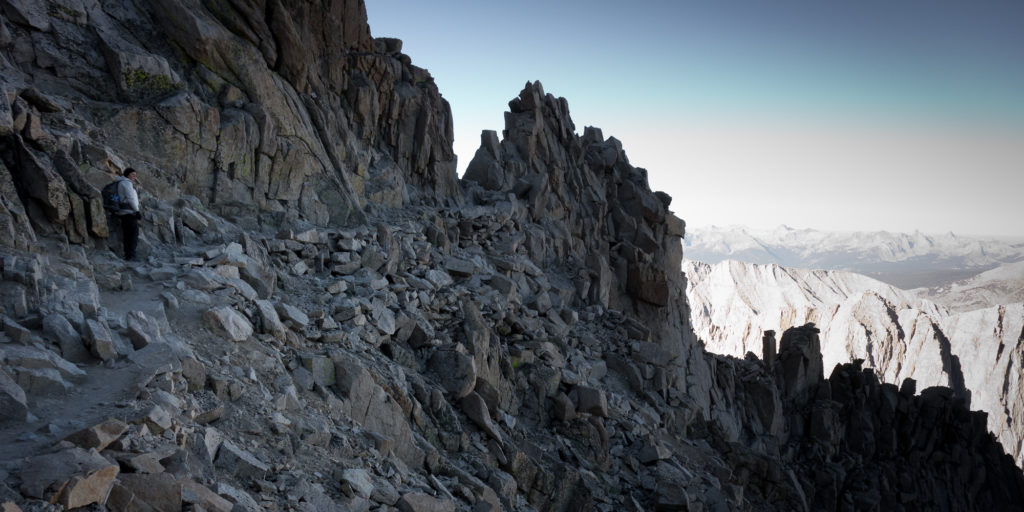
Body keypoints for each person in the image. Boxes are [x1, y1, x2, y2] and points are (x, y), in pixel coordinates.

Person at [115, 167, 141, 261]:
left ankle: (128, 255)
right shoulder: (126, 183)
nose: (134, 177)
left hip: (123, 212)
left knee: (127, 235)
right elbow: (130, 199)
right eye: (133, 175)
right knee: (133, 234)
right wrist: (137, 211)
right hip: (129, 212)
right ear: (128, 174)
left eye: (135, 175)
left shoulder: (120, 182)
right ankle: (131, 256)